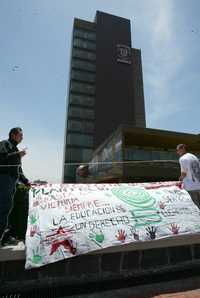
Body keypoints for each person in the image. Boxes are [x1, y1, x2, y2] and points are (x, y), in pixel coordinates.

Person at [0, 127, 30, 246]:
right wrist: (17, 154)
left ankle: (5, 236)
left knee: (8, 209)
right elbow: (2, 159)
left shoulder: (15, 149)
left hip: (12, 181)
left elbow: (18, 170)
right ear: (13, 135)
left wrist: (26, 181)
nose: (22, 138)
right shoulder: (4, 144)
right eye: (20, 135)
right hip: (4, 179)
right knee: (3, 208)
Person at [176, 143, 200, 208]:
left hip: (191, 186)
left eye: (178, 150)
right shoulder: (194, 157)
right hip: (198, 184)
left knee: (196, 207)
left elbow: (184, 173)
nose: (177, 152)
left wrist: (180, 180)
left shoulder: (183, 158)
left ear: (183, 149)